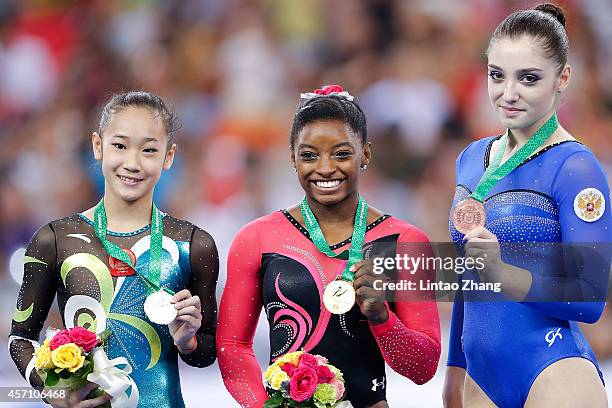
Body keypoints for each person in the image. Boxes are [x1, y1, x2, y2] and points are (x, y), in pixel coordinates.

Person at [217, 85, 441, 408]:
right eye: (309, 155)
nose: (324, 168)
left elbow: (424, 368)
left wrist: (382, 317)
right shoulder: (255, 239)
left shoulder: (406, 242)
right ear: (292, 156)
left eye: (341, 153)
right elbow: (232, 346)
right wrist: (263, 407)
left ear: (365, 153)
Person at [443, 4, 611, 408]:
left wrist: (502, 272)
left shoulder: (575, 167)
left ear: (562, 78)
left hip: (554, 374)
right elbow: (470, 271)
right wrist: (454, 370)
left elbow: (590, 298)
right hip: (480, 379)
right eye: (497, 75)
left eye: (529, 78)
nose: (508, 93)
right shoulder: (471, 158)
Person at [9, 91, 219, 408]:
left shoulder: (193, 245)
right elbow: (20, 339)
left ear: (169, 156)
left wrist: (188, 341)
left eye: (149, 150)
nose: (132, 163)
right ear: (98, 146)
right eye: (120, 146)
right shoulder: (54, 239)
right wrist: (52, 394)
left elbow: (206, 354)